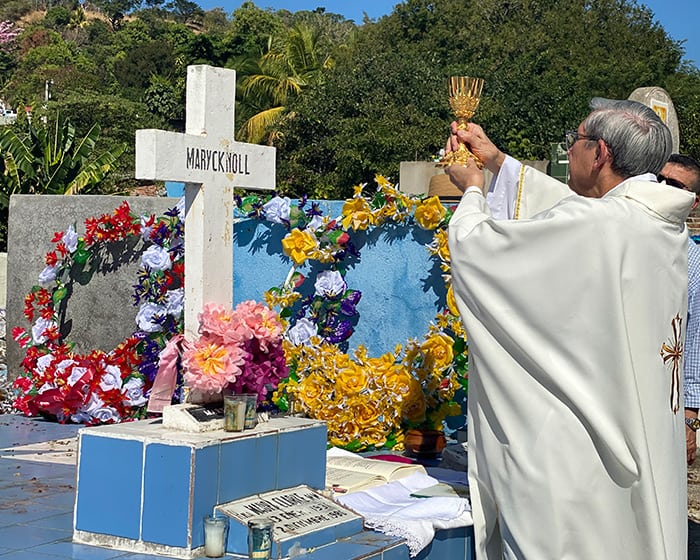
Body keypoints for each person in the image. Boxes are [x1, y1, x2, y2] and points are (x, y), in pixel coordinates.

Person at [444, 98, 695, 559]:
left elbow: (479, 252)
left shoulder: (597, 224)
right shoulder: (659, 223)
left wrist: (474, 191)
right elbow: (574, 209)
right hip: (640, 438)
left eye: (574, 141)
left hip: (583, 452)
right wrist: (499, 163)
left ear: (599, 152)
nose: (570, 150)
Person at [659, 154, 700, 465]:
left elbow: (694, 338)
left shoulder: (695, 263)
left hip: (665, 394)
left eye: (674, 185)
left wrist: (689, 418)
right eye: (660, 179)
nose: (663, 188)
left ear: (693, 202)